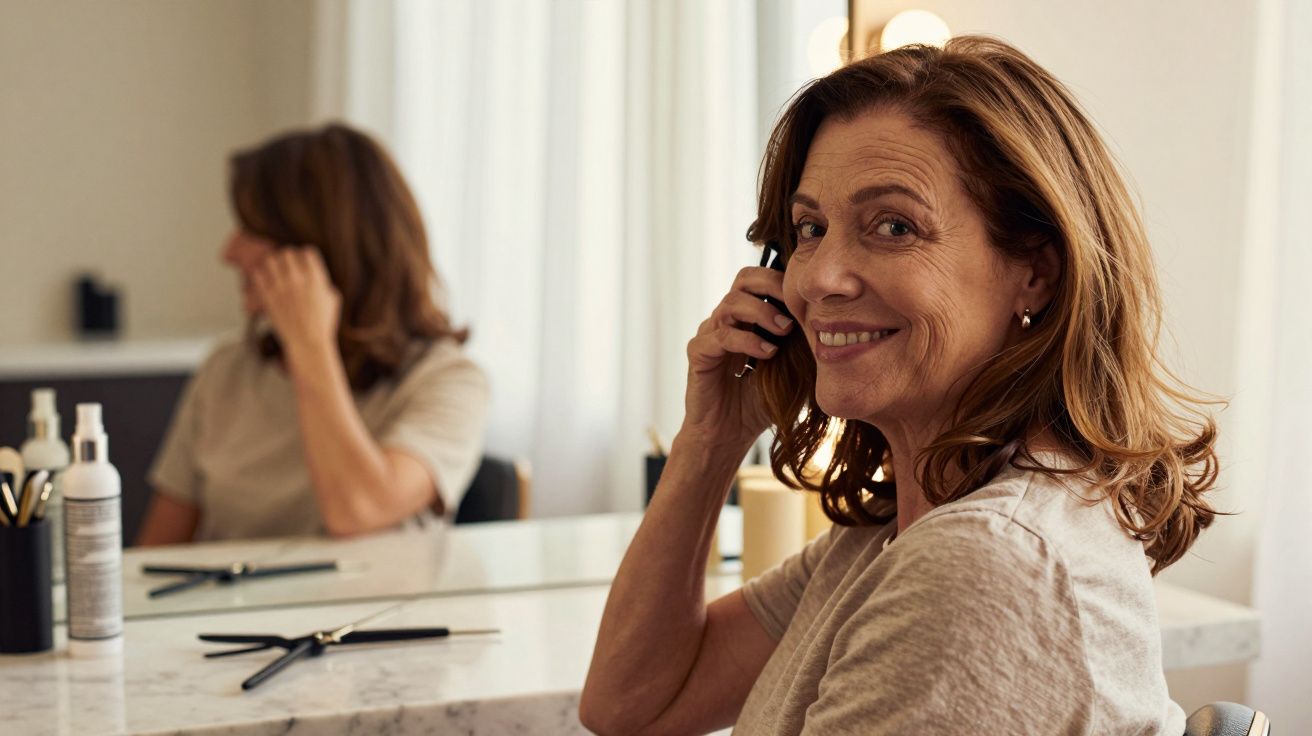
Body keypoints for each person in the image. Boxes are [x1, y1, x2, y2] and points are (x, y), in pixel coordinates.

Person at [581, 36, 1219, 734]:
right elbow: (632, 707)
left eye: (893, 225)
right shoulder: (898, 534)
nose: (820, 277)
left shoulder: (980, 566)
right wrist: (710, 439)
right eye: (810, 228)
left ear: (1034, 272)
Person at [136, 124, 488, 544]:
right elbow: (153, 552)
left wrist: (310, 346)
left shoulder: (448, 382)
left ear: (322, 249)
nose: (228, 253)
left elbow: (356, 510)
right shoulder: (226, 370)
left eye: (250, 231)